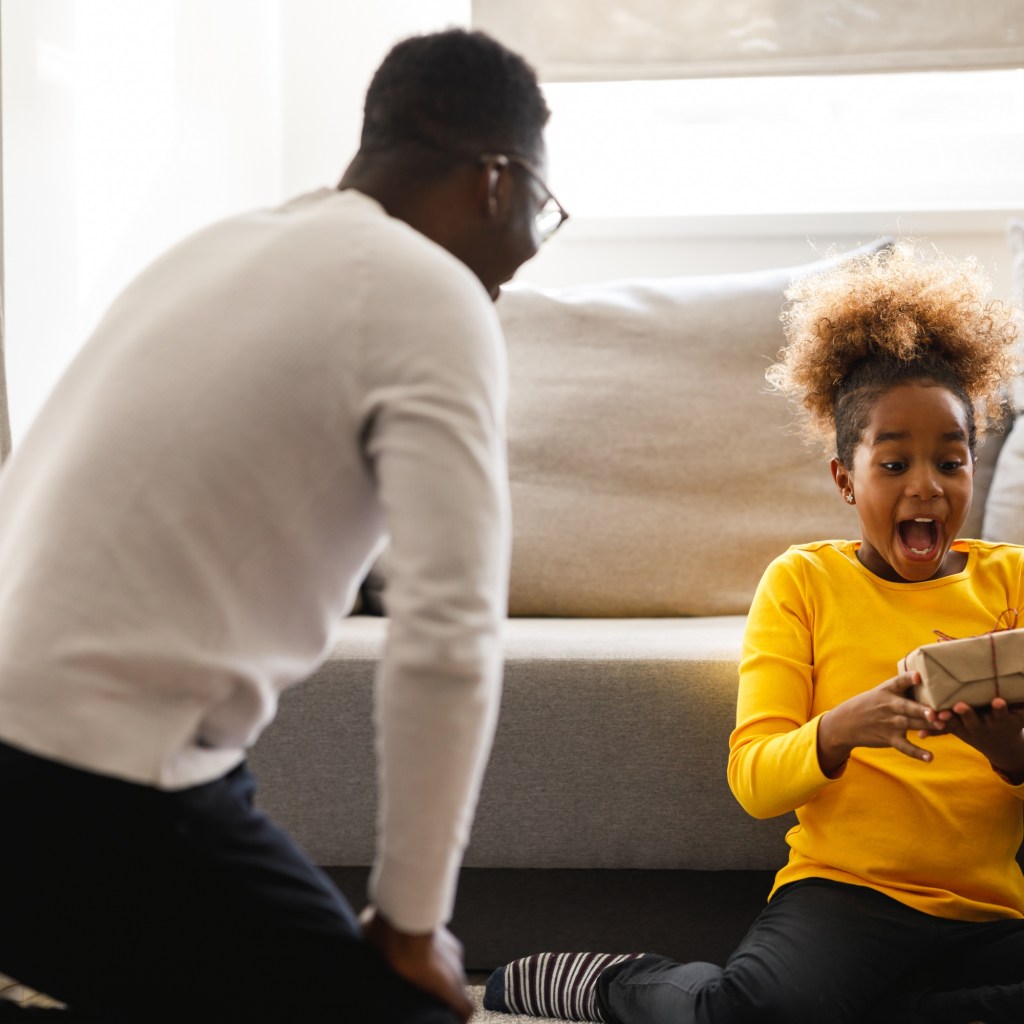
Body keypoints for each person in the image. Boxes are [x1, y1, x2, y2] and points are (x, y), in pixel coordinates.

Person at [0, 28, 567, 1024]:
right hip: (95, 781)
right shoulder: (429, 292)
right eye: (543, 208)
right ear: (493, 180)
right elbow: (450, 634)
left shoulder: (213, 248)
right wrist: (408, 924)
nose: (528, 244)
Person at [483, 243, 1024, 1024]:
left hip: (989, 909)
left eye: (951, 460)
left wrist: (1005, 751)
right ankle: (615, 984)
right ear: (846, 478)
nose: (927, 487)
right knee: (750, 1015)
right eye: (894, 462)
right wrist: (841, 731)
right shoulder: (804, 582)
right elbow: (756, 780)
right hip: (849, 899)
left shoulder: (1010, 582)